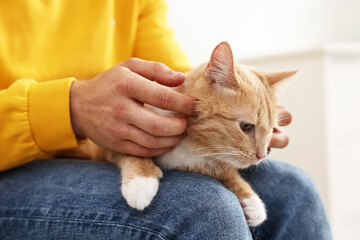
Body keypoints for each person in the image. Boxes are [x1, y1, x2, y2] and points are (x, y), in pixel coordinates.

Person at [0, 0, 332, 239]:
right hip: (11, 165)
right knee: (203, 208)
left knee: (294, 190)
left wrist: (216, 106)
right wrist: (67, 108)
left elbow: (178, 76)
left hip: (94, 154)